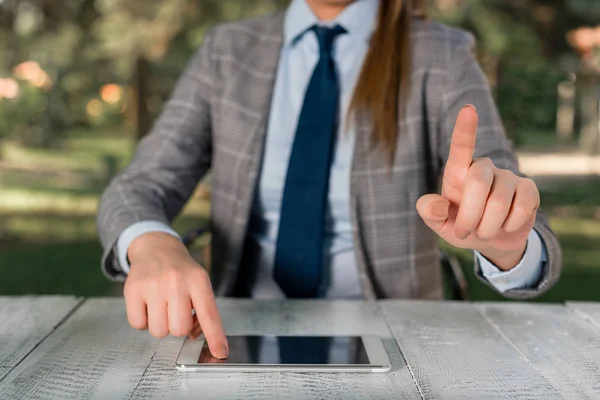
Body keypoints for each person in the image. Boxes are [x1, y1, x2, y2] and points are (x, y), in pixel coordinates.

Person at [97, 0, 562, 360]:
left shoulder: (442, 53)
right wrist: (151, 242)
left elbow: (501, 185)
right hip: (237, 330)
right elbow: (139, 186)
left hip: (395, 339)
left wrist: (505, 239)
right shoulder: (227, 51)